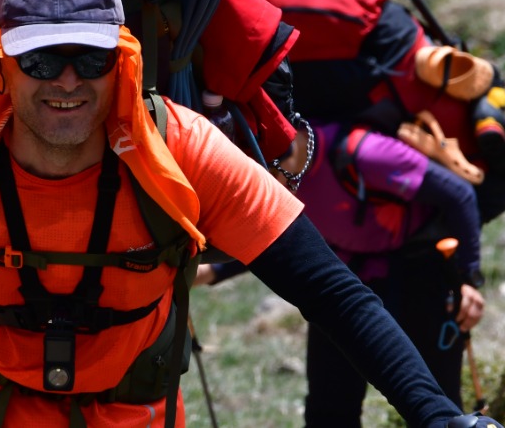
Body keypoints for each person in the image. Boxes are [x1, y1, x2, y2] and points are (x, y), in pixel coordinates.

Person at [0, 0, 502, 428]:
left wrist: (437, 416)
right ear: (0, 63)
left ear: (122, 58)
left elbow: (330, 291)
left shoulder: (178, 148)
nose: (68, 82)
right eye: (42, 60)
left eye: (88, 57)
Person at [199, 120, 489, 426]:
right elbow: (279, 235)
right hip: (344, 279)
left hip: (419, 275)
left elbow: (460, 195)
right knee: (329, 409)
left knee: (439, 406)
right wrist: (214, 271)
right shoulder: (281, 177)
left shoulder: (367, 155)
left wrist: (468, 280)